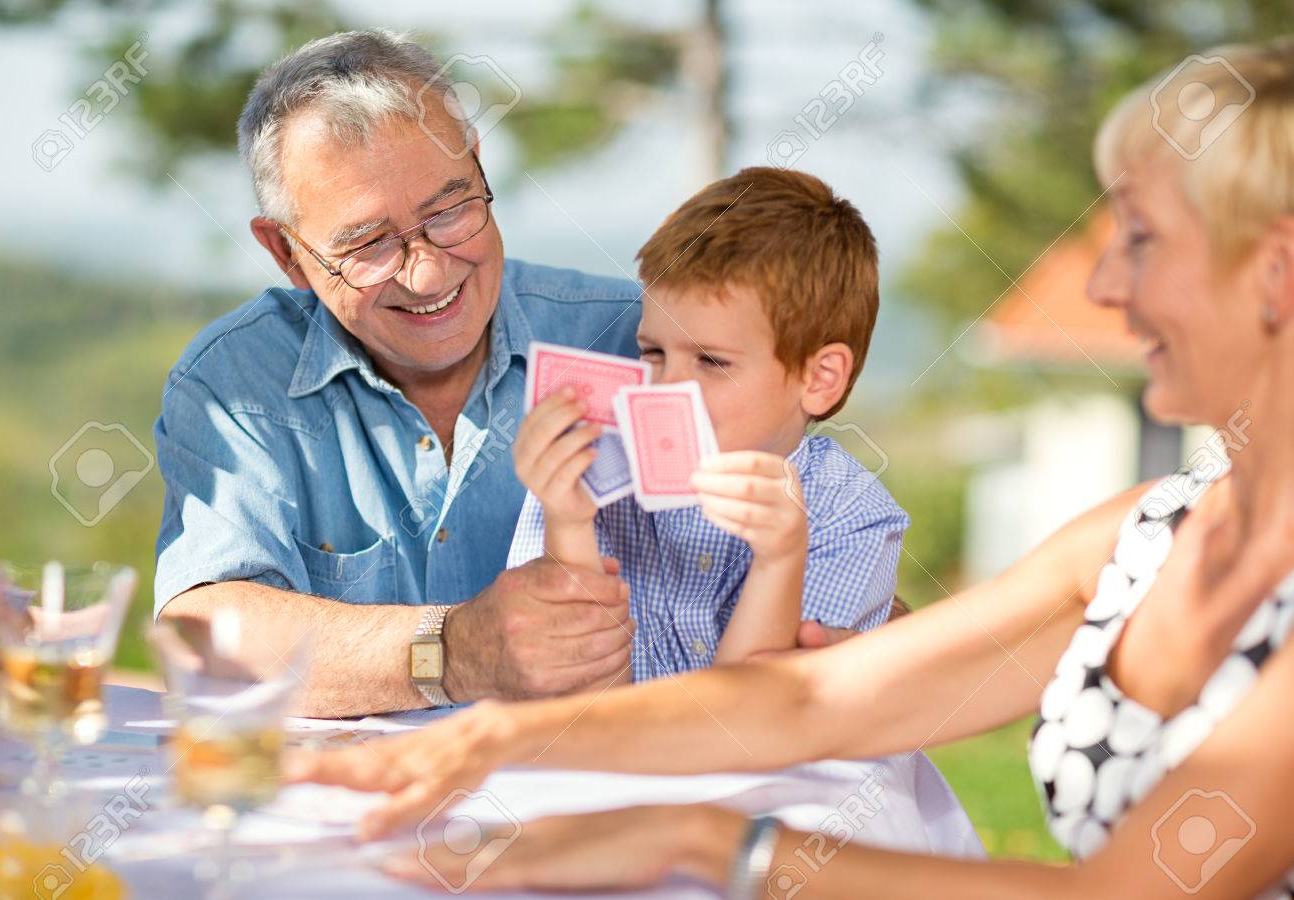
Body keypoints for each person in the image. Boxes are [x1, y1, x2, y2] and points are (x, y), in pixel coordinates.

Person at [291, 38, 1294, 898]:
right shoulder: (1142, 534)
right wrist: (487, 740)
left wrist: (711, 841)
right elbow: (804, 699)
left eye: (1143, 240)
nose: (1106, 283)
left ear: (1275, 268)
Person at [152, 30, 648, 718]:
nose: (429, 272)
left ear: (477, 164)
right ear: (287, 254)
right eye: (369, 244)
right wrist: (452, 651)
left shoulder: (634, 339)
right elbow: (205, 636)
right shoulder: (236, 383)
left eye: (449, 211)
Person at [509, 168, 908, 680]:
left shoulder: (849, 512)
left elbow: (749, 728)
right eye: (652, 351)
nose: (666, 386)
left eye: (712, 362)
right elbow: (580, 706)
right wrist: (568, 525)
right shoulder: (590, 480)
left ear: (819, 378)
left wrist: (778, 561)